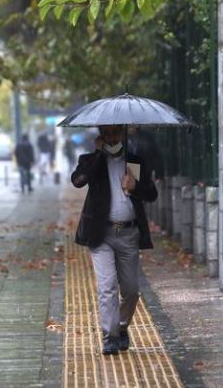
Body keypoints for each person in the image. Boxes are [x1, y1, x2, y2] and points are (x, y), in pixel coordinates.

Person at [71, 124, 158, 356]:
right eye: (107, 134)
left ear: (123, 133)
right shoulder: (91, 160)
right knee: (107, 286)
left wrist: (135, 185)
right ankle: (109, 336)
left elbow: (151, 194)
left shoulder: (134, 162)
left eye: (115, 133)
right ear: (101, 136)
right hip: (102, 234)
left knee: (131, 290)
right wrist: (99, 154)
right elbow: (78, 181)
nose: (112, 138)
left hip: (129, 234)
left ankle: (120, 326)